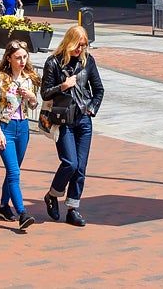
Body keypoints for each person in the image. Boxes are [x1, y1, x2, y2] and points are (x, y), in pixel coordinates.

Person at [40, 24, 104, 227]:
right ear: (69, 42)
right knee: (70, 163)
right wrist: (63, 86)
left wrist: (91, 108)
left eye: (83, 46)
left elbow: (99, 89)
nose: (80, 50)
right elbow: (45, 92)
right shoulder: (53, 63)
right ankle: (52, 195)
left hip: (83, 119)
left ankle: (72, 208)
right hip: (63, 119)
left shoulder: (88, 62)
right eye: (78, 46)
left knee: (81, 168)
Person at [0, 40, 41, 233]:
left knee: (13, 171)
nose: (22, 61)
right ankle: (23, 213)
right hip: (5, 127)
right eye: (18, 57)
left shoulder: (29, 78)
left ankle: (3, 206)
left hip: (23, 128)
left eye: (25, 57)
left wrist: (31, 97)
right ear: (8, 58)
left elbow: (34, 106)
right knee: (15, 172)